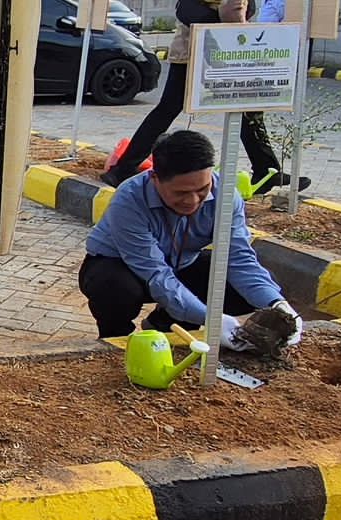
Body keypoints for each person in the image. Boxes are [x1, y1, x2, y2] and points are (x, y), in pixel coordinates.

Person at [80, 130, 303, 348]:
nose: (193, 200)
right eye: (181, 193)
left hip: (182, 263)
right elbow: (155, 272)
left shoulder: (226, 196)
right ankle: (115, 342)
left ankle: (168, 324)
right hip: (126, 267)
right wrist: (210, 319)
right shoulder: (129, 199)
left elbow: (238, 258)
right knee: (113, 288)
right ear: (155, 178)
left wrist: (278, 305)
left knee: (250, 287)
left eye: (203, 189)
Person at [101, 0, 310, 196]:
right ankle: (123, 168)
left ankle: (267, 169)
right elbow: (233, 9)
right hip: (210, 48)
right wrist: (244, 39)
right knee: (175, 109)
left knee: (243, 109)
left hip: (199, 46)